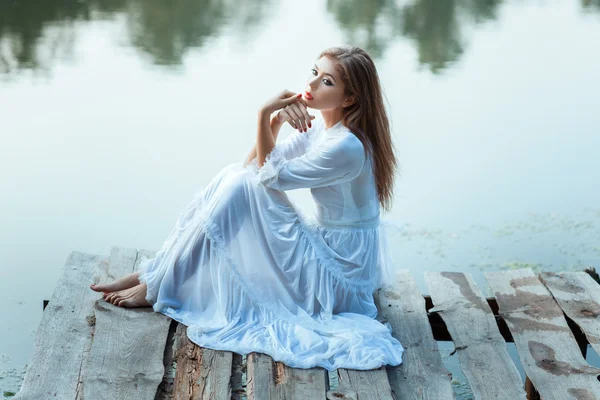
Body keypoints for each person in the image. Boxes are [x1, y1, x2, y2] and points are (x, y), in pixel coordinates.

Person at [90, 45, 404, 371]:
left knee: (241, 184)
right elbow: (252, 164)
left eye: (326, 82)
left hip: (338, 275)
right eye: (314, 73)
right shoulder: (324, 130)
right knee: (236, 178)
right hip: (329, 250)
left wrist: (263, 113)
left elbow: (268, 176)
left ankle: (156, 283)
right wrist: (277, 120)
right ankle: (156, 275)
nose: (310, 86)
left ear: (350, 98)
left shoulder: (347, 146)